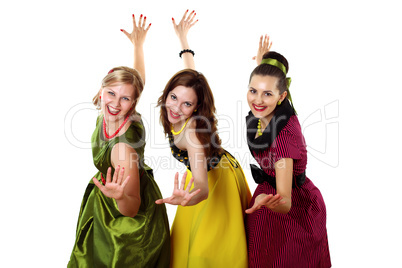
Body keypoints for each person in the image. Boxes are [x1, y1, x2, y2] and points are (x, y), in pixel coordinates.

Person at [67, 14, 170, 267]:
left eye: (125, 98)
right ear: (101, 90)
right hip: (110, 198)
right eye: (111, 93)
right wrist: (138, 45)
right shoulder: (112, 108)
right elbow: (137, 80)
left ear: (133, 103)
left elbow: (132, 207)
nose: (115, 102)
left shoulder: (123, 149)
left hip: (127, 220)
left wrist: (119, 195)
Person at [153, 10, 251, 267]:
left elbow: (202, 187)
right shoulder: (184, 98)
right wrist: (184, 41)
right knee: (184, 245)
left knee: (207, 250)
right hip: (203, 172)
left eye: (186, 104)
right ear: (168, 92)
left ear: (196, 108)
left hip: (216, 180)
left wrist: (187, 199)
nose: (175, 107)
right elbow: (190, 74)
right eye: (173, 97)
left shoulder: (193, 133)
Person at [244, 35, 331, 267]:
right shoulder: (267, 110)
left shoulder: (283, 138)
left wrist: (263, 198)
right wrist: (262, 64)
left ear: (282, 96)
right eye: (253, 91)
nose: (257, 100)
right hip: (269, 194)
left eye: (267, 94)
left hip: (293, 209)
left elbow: (284, 202)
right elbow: (263, 87)